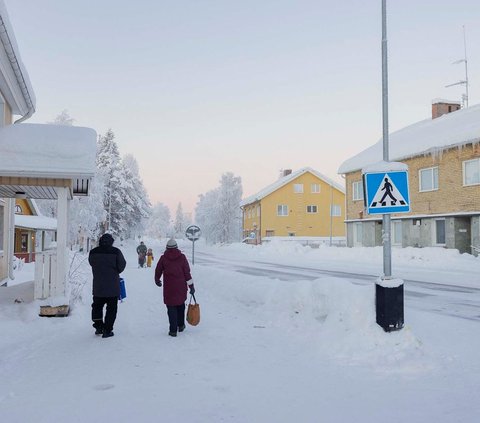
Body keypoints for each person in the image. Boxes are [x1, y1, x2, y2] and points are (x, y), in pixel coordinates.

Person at [88, 233, 126, 338]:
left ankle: (98, 326)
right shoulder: (116, 252)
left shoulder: (93, 252)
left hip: (98, 286)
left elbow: (91, 263)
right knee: (111, 309)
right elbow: (121, 266)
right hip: (112, 287)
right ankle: (108, 330)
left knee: (96, 307)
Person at [154, 238, 195, 337]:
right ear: (176, 247)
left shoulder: (163, 258)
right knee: (181, 305)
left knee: (171, 308)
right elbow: (187, 273)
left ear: (167, 248)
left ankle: (173, 330)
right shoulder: (182, 257)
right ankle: (181, 325)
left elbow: (158, 270)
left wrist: (157, 280)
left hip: (169, 288)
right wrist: (191, 286)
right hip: (181, 287)